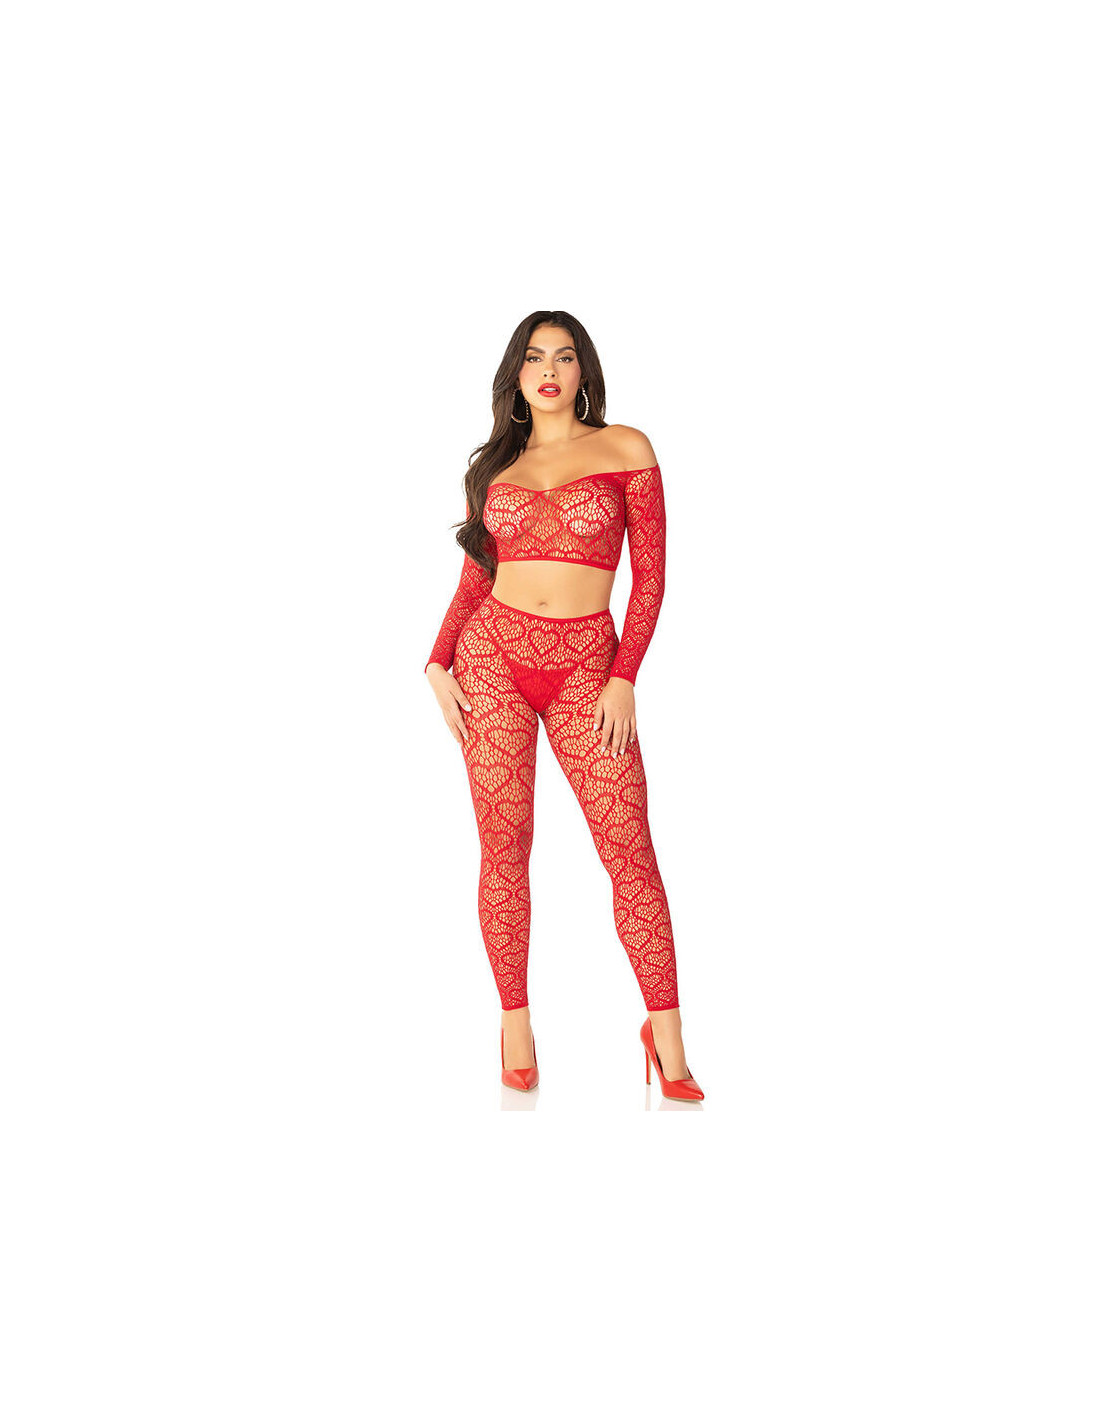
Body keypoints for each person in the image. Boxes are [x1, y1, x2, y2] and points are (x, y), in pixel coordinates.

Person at [424, 310, 704, 1101]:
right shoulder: (498, 472)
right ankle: (515, 1025)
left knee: (630, 850)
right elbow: (477, 578)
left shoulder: (626, 449)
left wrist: (624, 676)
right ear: (516, 376)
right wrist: (437, 659)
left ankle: (668, 1039)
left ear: (584, 372)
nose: (549, 370)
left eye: (565, 356)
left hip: (588, 666)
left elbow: (650, 577)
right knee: (504, 845)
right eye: (535, 357)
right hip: (493, 657)